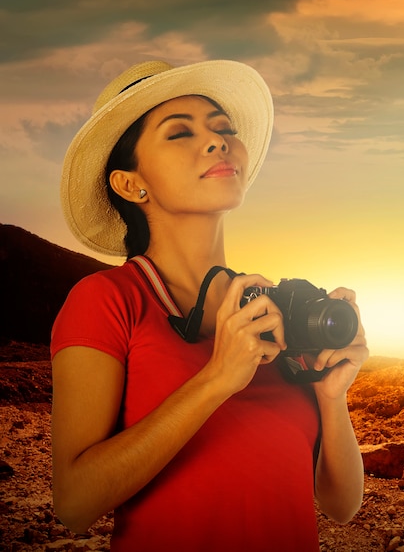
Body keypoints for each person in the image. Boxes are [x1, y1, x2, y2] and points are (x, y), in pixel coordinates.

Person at [50, 59, 369, 552]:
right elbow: (75, 504)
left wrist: (332, 397)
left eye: (224, 129)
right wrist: (217, 378)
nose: (218, 141)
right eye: (179, 134)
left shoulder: (271, 309)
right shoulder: (108, 300)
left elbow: (340, 505)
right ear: (132, 184)